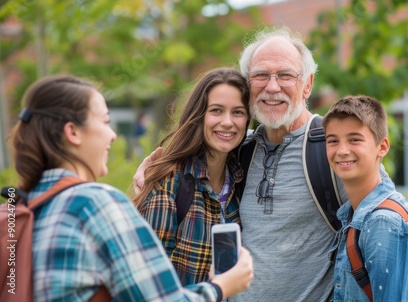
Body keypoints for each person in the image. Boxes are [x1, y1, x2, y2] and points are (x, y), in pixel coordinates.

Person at [135, 26, 408, 302]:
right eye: (261, 75)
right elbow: (194, 157)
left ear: (307, 85)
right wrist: (154, 169)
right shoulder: (240, 150)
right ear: (248, 86)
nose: (272, 86)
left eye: (285, 75)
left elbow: (380, 201)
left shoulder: (332, 146)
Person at [9, 74, 253, 301]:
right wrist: (221, 286)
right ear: (72, 132)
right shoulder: (96, 204)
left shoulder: (21, 204)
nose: (113, 135)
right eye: (105, 121)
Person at [132, 67, 251, 286]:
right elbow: (151, 285)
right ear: (198, 115)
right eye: (216, 110)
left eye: (238, 112)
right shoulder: (170, 184)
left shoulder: (240, 178)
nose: (227, 122)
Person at [323, 95, 408, 301]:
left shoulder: (382, 222)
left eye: (354, 139)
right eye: (333, 141)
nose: (342, 151)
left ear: (383, 147)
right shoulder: (352, 213)